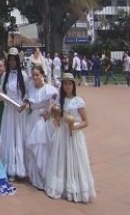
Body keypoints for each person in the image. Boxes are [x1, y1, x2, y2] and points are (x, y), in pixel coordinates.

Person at [45, 73, 96, 203]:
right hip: (62, 134)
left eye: (70, 83)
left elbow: (86, 122)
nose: (67, 86)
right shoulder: (59, 101)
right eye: (65, 84)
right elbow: (56, 119)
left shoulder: (78, 101)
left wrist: (74, 126)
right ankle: (62, 187)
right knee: (62, 160)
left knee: (75, 160)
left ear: (73, 85)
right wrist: (54, 115)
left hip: (74, 135)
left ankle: (76, 188)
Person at [22, 66, 58, 190]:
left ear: (43, 75)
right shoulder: (31, 88)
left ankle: (45, 178)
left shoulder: (49, 89)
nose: (35, 77)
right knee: (31, 148)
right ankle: (35, 178)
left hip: (42, 121)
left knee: (41, 148)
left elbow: (54, 105)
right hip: (32, 119)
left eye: (37, 75)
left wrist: (48, 112)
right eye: (33, 75)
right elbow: (29, 104)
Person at [0, 47, 28, 181]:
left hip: (19, 111)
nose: (12, 62)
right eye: (10, 60)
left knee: (19, 137)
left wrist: (24, 104)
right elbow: (1, 93)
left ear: (18, 61)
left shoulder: (24, 76)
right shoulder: (4, 76)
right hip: (9, 111)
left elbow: (28, 93)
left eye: (14, 60)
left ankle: (20, 168)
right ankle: (9, 169)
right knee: (9, 137)